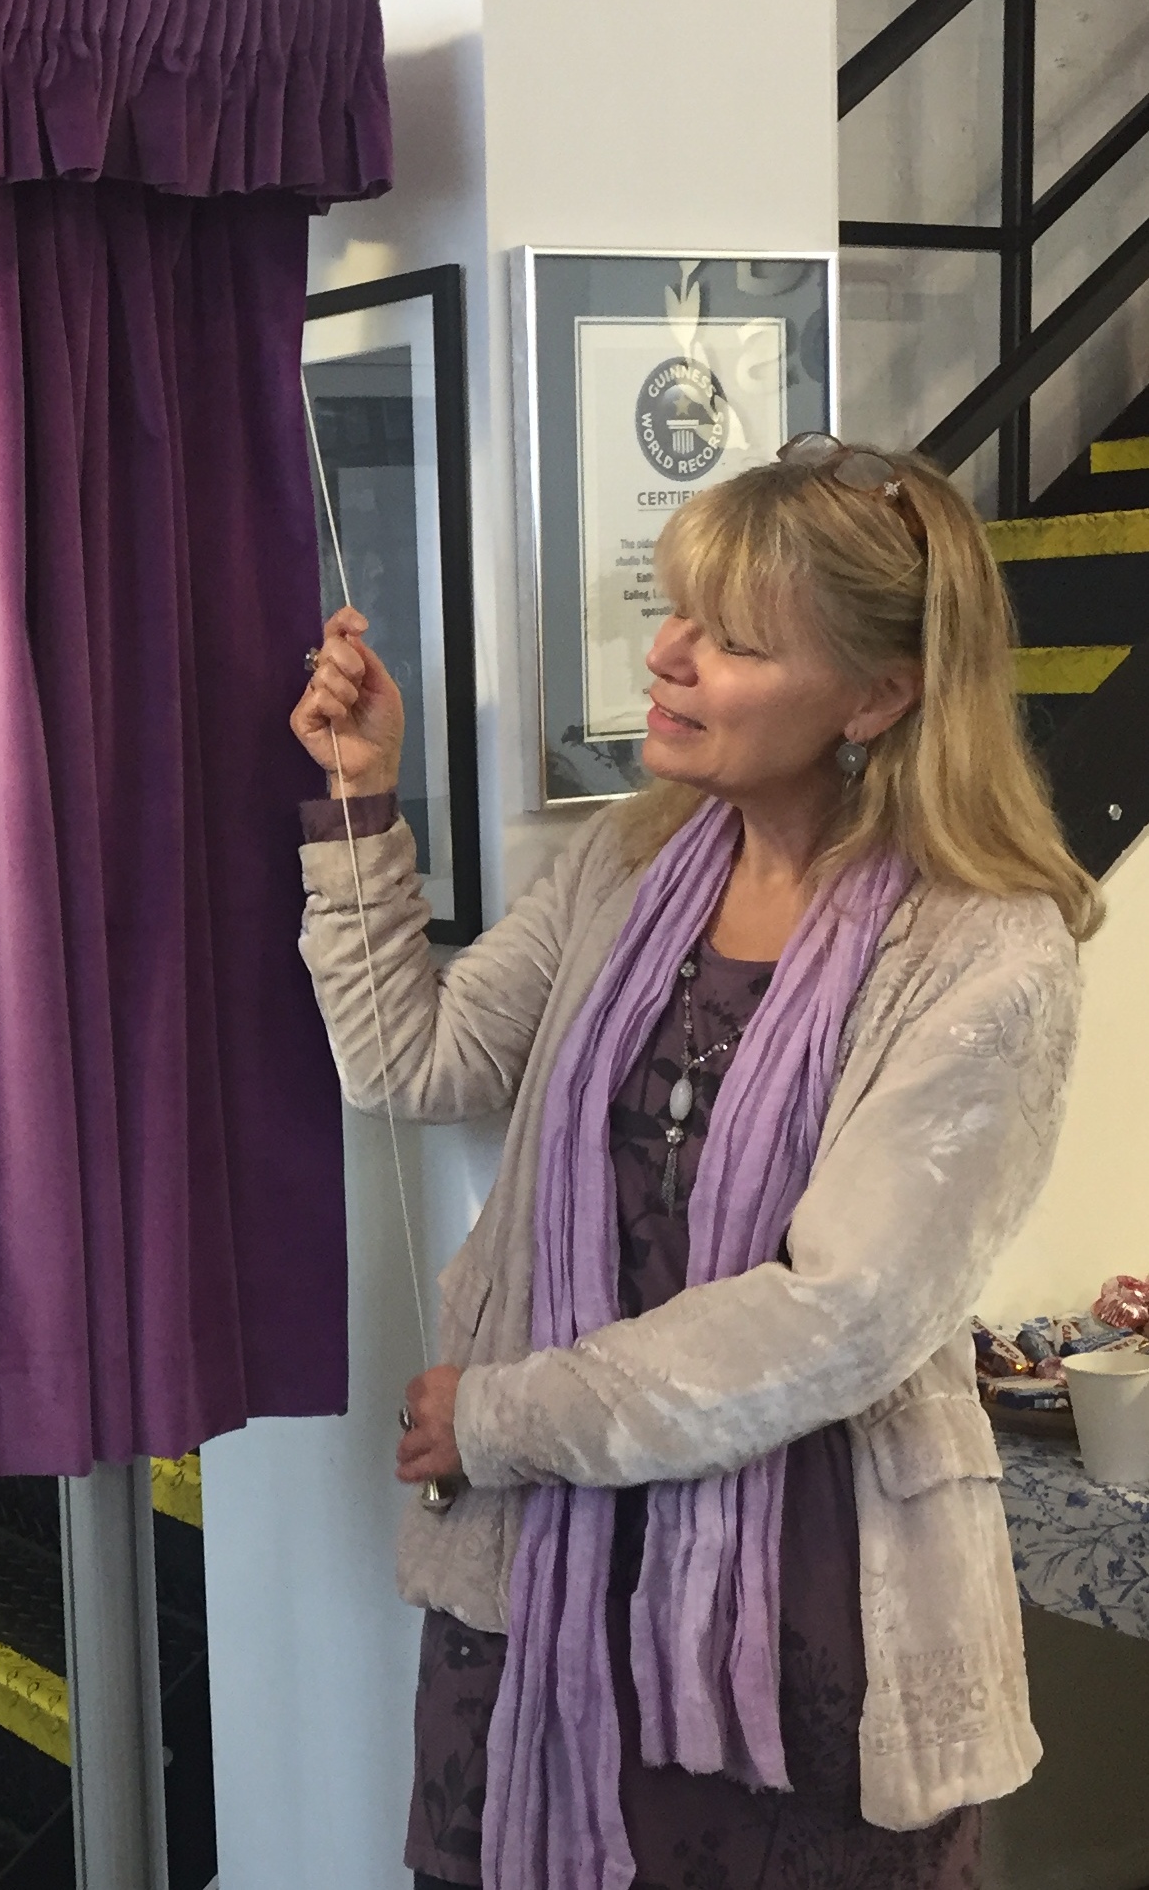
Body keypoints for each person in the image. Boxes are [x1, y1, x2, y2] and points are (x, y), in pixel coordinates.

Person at [287, 436, 1099, 1890]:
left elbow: (837, 1314)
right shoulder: (630, 862)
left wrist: (505, 1416)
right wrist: (360, 805)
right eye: (676, 612)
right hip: (543, 1587)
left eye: (733, 639)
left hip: (796, 1619)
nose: (665, 656)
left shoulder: (988, 947)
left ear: (877, 696)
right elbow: (413, 1063)